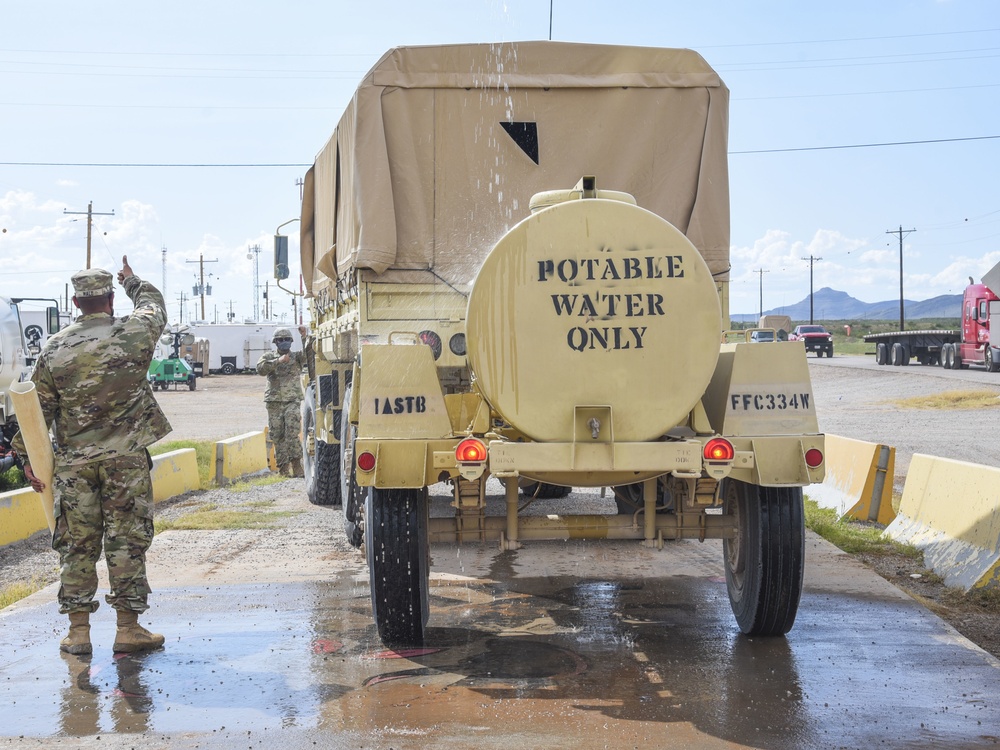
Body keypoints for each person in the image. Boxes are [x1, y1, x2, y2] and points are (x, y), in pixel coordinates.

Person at [13, 255, 172, 655]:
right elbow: (155, 306)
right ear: (109, 300)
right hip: (125, 461)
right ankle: (128, 628)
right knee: (126, 541)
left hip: (74, 465)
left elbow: (39, 410)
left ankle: (79, 633)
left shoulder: (55, 348)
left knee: (77, 545)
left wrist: (24, 457)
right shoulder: (135, 331)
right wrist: (133, 281)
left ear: (75, 302)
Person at [256, 326, 309, 477]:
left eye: (287, 339)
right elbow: (260, 369)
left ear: (291, 342)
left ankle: (297, 466)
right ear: (275, 342)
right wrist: (277, 361)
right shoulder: (269, 357)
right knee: (277, 435)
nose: (284, 342)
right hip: (274, 402)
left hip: (292, 400)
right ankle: (283, 468)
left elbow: (308, 354)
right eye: (280, 340)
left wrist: (304, 336)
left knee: (292, 433)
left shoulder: (296, 357)